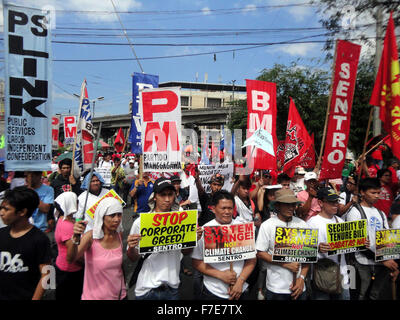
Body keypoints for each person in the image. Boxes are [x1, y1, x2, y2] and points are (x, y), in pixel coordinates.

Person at [127, 177, 201, 300]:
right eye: (162, 195)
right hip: (147, 289)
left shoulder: (181, 221)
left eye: (170, 195)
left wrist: (193, 239)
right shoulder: (140, 223)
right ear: (155, 197)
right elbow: (133, 258)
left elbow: (185, 252)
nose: (167, 199)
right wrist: (131, 247)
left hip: (172, 288)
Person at [191, 190, 257, 300]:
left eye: (230, 208)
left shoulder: (243, 228)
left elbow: (252, 260)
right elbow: (196, 262)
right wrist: (220, 275)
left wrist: (240, 281)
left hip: (240, 290)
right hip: (213, 292)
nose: (227, 211)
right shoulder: (205, 230)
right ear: (213, 209)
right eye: (223, 208)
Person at [346, 178, 399, 300]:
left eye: (378, 193)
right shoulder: (355, 213)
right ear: (362, 192)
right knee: (360, 295)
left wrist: (392, 262)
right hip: (361, 263)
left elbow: (388, 240)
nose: (376, 196)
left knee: (374, 296)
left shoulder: (380, 213)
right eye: (373, 193)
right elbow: (357, 244)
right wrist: (383, 261)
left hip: (380, 264)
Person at [256, 188, 310, 300]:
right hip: (276, 288)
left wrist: (301, 278)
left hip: (299, 287)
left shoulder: (303, 224)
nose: (291, 208)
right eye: (287, 204)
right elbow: (261, 253)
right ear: (277, 206)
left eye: (293, 204)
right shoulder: (267, 225)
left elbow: (308, 257)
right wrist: (285, 264)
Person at [68, 197, 127, 300]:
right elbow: (71, 259)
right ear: (102, 216)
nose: (117, 219)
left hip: (120, 296)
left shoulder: (119, 235)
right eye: (112, 215)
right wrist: (75, 238)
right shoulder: (90, 237)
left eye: (119, 214)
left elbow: (119, 268)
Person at [0, 187, 52, 300]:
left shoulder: (40, 239)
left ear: (22, 212)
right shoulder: (1, 234)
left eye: (6, 209)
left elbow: (48, 275)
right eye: (1, 208)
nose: (1, 213)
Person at [307, 187, 350, 300]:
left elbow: (349, 246)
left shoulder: (340, 221)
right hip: (321, 275)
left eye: (337, 201)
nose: (336, 204)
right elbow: (304, 250)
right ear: (321, 203)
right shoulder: (312, 223)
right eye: (331, 202)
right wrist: (317, 248)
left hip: (342, 274)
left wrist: (361, 243)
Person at [53, 192, 84, 300]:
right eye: (76, 200)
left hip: (64, 267)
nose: (78, 203)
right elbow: (72, 256)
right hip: (70, 270)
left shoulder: (64, 219)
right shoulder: (67, 226)